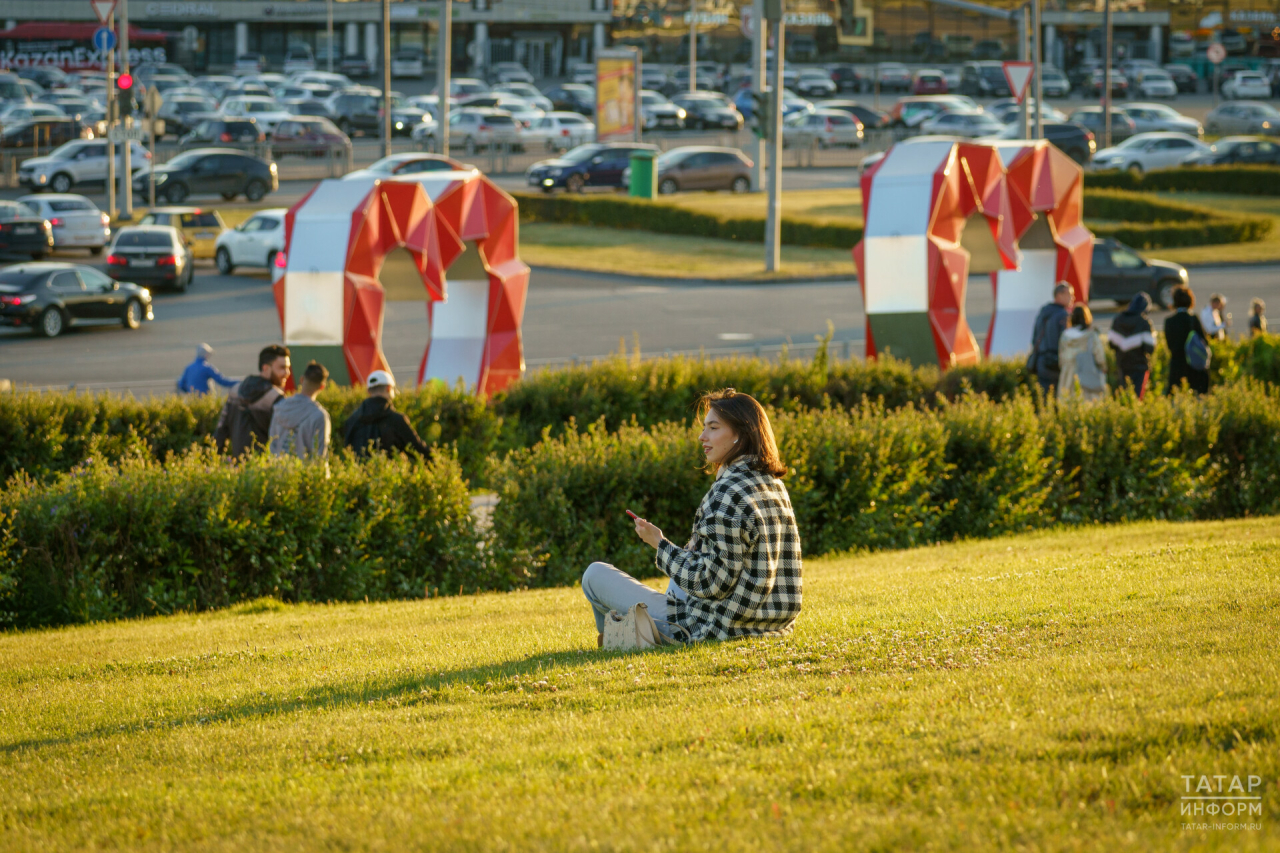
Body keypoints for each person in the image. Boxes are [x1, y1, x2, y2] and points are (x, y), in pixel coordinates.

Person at [581, 389, 802, 646]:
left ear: (740, 435)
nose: (702, 436)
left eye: (713, 428)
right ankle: (628, 633)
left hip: (713, 626)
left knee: (594, 575)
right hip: (770, 624)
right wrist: (686, 550)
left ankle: (627, 636)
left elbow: (712, 583)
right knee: (680, 570)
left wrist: (659, 545)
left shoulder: (727, 493)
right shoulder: (773, 484)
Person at [214, 344, 290, 457]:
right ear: (265, 368)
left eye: (288, 368)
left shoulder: (235, 391)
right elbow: (284, 440)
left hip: (238, 468)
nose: (287, 373)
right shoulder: (276, 398)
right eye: (282, 367)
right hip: (265, 469)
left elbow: (220, 433)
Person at [342, 370, 431, 459]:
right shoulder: (397, 420)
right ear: (389, 388)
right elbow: (418, 450)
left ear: (368, 391)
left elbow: (347, 451)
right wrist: (439, 460)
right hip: (388, 472)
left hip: (357, 472)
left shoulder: (352, 420)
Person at [268, 360, 331, 460]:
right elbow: (320, 455)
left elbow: (272, 445)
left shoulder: (280, 407)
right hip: (303, 474)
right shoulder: (319, 415)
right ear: (322, 387)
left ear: (301, 379)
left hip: (277, 471)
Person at [1107, 293, 1156, 398]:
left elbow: (1111, 344)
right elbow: (1150, 348)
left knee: (1124, 396)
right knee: (1137, 398)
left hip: (1122, 364)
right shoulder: (1144, 323)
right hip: (1139, 366)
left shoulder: (1118, 319)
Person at [1029, 283, 1073, 396]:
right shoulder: (1063, 315)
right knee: (1058, 396)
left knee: (1043, 396)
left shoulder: (1044, 311)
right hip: (1055, 361)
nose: (1072, 298)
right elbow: (1065, 342)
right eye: (1070, 294)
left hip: (1040, 360)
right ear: (1059, 295)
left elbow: (1035, 337)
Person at [1164, 285, 1210, 395]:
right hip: (1194, 365)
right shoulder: (1193, 319)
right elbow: (1204, 342)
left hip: (1176, 365)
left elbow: (1169, 345)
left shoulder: (1169, 321)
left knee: (1175, 397)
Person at [1057, 305, 1108, 402]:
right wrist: (1103, 367)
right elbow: (1099, 356)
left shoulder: (1065, 336)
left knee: (1068, 402)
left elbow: (1061, 357)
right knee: (1086, 403)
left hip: (1067, 373)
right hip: (1086, 373)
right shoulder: (1091, 335)